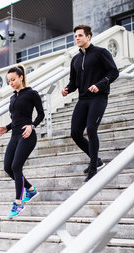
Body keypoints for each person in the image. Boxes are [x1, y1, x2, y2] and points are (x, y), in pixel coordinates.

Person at [61, 24, 119, 182]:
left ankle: (93, 168)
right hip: (83, 99)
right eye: (75, 36)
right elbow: (73, 82)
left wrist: (99, 85)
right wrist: (67, 89)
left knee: (91, 129)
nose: (77, 38)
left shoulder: (101, 53)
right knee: (75, 133)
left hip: (99, 98)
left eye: (80, 35)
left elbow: (114, 72)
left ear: (88, 37)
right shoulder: (75, 59)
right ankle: (97, 160)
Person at [0, 64, 45, 218]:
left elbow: (41, 114)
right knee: (7, 167)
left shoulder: (32, 93)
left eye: (13, 79)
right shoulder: (13, 97)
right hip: (15, 134)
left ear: (21, 77)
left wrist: (32, 126)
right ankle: (31, 190)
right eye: (9, 80)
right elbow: (16, 118)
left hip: (27, 135)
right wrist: (7, 127)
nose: (11, 82)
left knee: (16, 166)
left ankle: (18, 203)